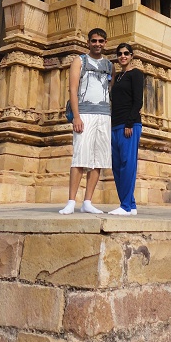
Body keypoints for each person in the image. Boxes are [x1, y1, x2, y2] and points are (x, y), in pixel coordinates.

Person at [59, 28, 114, 215]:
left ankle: (88, 202)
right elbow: (73, 89)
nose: (97, 44)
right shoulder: (79, 60)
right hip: (85, 114)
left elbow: (109, 90)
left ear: (105, 43)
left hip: (104, 115)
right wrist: (76, 116)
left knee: (98, 159)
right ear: (88, 42)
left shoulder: (109, 65)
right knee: (80, 158)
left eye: (101, 41)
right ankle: (71, 202)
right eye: (94, 41)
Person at [109, 43, 143, 215]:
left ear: (131, 56)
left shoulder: (136, 74)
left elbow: (138, 101)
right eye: (120, 53)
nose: (123, 56)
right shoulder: (118, 77)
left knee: (127, 164)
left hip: (129, 125)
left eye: (126, 53)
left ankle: (125, 206)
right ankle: (131, 204)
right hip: (115, 124)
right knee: (116, 165)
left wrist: (129, 123)